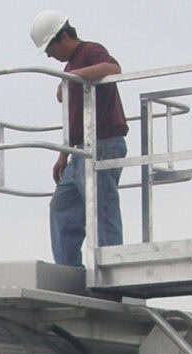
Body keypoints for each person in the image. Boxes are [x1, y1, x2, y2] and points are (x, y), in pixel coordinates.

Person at [31, 10, 127, 268]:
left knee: (101, 206)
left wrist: (73, 79)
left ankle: (111, 265)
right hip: (81, 150)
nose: (50, 55)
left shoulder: (91, 51)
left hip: (104, 144)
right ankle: (69, 270)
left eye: (50, 48)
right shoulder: (69, 68)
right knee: (62, 206)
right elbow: (74, 118)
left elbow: (113, 68)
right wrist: (64, 153)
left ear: (63, 36)